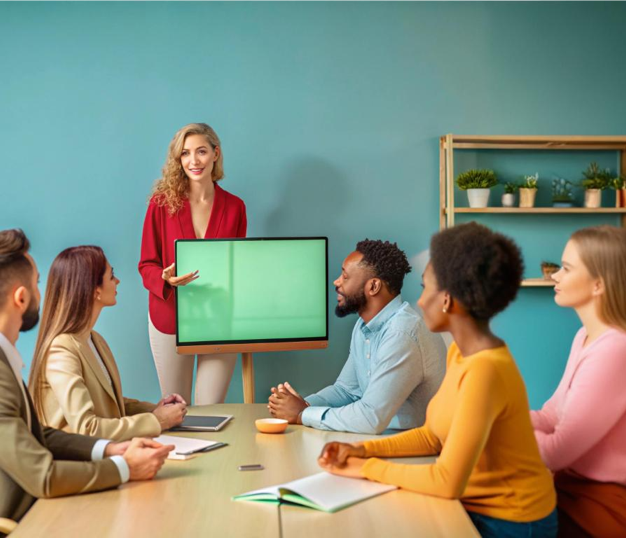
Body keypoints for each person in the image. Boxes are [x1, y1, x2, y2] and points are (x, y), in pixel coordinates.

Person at [318, 222, 557, 538]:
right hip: (473, 505)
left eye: (425, 288)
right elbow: (432, 437)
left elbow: (447, 481)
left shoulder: (485, 370)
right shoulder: (461, 352)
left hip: (510, 521)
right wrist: (361, 451)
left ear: (446, 299)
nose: (419, 301)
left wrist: (365, 469)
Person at [0, 229, 172, 528]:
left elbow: (36, 434)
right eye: (38, 283)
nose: (43, 293)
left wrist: (109, 449)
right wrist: (125, 467)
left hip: (25, 509)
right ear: (22, 297)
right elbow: (43, 476)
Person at [531, 226, 626, 537]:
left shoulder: (617, 350)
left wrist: (501, 429)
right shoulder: (585, 337)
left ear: (599, 284)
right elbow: (550, 416)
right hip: (570, 490)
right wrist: (498, 420)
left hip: (597, 509)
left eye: (567, 268)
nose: (556, 276)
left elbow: (557, 451)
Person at [267, 239, 446, 434]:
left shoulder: (402, 333)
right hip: (379, 439)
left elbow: (371, 418)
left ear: (373, 287)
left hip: (412, 448)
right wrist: (301, 404)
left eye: (345, 276)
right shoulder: (363, 326)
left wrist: (302, 414)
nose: (336, 282)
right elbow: (347, 391)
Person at [28, 245, 187, 441]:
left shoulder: (95, 340)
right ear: (95, 290)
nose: (117, 281)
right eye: (112, 276)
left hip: (106, 453)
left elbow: (111, 406)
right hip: (80, 465)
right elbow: (87, 428)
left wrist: (157, 409)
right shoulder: (61, 350)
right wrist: (157, 421)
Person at [139, 123, 247, 405]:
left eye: (201, 151)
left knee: (210, 409)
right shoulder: (161, 204)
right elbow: (146, 264)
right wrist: (164, 280)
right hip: (169, 315)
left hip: (218, 318)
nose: (193, 161)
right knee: (175, 409)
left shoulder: (236, 207)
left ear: (215, 153)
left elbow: (237, 266)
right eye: (185, 154)